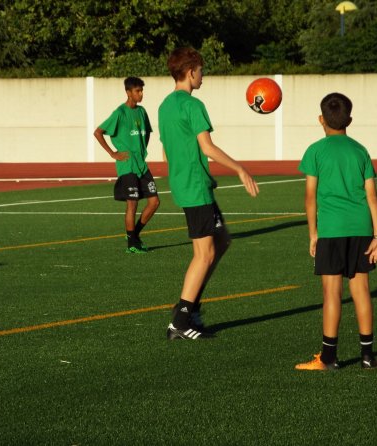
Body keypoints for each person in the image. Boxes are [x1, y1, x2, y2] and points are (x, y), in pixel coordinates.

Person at [158, 47, 259, 340]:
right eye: (201, 70)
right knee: (204, 255)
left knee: (221, 241)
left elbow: (164, 153)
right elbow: (207, 147)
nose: (203, 75)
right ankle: (182, 318)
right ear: (191, 72)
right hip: (194, 186)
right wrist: (240, 169)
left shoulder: (165, 105)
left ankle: (190, 308)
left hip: (185, 183)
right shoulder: (193, 104)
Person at [295, 92, 377, 370]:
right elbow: (372, 196)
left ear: (321, 119)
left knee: (331, 292)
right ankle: (368, 356)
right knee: (361, 290)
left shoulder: (315, 151)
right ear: (350, 120)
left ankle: (329, 358)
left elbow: (310, 196)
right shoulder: (360, 150)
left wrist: (313, 233)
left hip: (331, 230)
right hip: (361, 229)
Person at [94, 77, 160, 253]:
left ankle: (134, 234)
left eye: (142, 90)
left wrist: (142, 149)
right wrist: (112, 153)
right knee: (132, 204)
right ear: (128, 92)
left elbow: (147, 134)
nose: (141, 94)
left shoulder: (142, 112)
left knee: (154, 202)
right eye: (137, 91)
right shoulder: (119, 113)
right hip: (127, 165)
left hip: (141, 164)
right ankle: (131, 245)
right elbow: (98, 132)